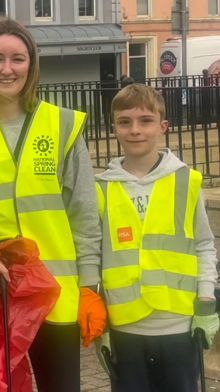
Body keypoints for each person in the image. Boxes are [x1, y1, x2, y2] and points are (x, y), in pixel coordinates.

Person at [0, 19, 105, 392]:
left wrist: (90, 285)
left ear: (32, 64)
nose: (7, 69)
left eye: (17, 59)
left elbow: (84, 213)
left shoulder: (61, 126)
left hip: (54, 295)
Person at [95, 84, 219, 392]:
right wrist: (97, 313)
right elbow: (94, 253)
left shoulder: (185, 181)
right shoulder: (101, 188)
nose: (135, 130)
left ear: (163, 126)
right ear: (114, 128)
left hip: (178, 324)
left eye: (145, 120)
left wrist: (207, 299)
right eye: (125, 122)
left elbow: (204, 244)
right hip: (125, 326)